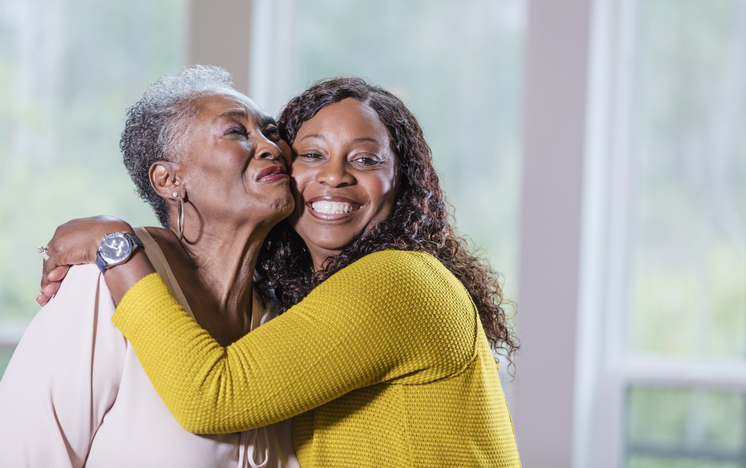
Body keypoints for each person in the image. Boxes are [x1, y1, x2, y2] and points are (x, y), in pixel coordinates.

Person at [39, 78, 522, 467]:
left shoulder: (399, 281)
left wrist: (115, 247)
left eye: (366, 159)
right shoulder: (289, 309)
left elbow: (213, 399)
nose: (334, 176)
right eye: (311, 154)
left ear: (403, 181)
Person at [0, 66, 300, 468]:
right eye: (236, 132)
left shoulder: (286, 321)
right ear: (169, 179)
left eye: (272, 131)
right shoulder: (100, 285)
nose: (271, 147)